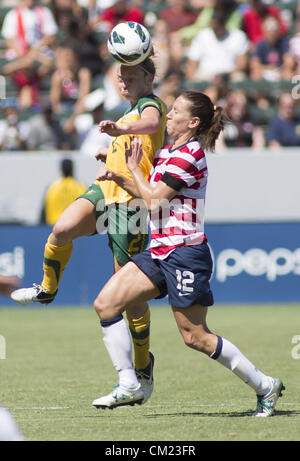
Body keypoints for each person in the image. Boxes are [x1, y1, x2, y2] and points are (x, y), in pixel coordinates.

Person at [91, 91, 284, 417]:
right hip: (159, 251)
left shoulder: (191, 154)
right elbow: (148, 192)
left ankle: (265, 386)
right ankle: (129, 383)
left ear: (193, 122)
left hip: (185, 253)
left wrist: (135, 168)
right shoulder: (168, 151)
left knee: (195, 337)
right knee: (106, 304)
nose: (170, 113)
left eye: (177, 110)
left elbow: (154, 201)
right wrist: (119, 176)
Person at [11, 55, 167, 403]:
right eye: (120, 75)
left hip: (131, 203)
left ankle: (143, 366)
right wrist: (108, 152)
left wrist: (121, 131)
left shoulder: (150, 105)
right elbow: (134, 143)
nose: (123, 80)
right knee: (61, 229)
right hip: (105, 190)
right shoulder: (129, 111)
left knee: (128, 297)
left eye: (130, 75)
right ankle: (48, 291)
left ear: (148, 76)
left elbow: (151, 122)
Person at [1, 0, 58, 108]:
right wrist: (24, 54)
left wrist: (34, 52)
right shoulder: (13, 14)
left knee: (41, 64)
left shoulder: (44, 12)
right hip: (21, 55)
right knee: (27, 67)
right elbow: (10, 40)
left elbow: (50, 36)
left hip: (39, 54)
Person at [185, 11, 249, 82]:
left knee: (240, 79)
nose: (215, 29)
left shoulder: (238, 36)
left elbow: (242, 63)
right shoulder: (202, 35)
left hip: (230, 75)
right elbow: (192, 61)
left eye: (217, 26)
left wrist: (224, 75)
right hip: (206, 75)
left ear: (223, 24)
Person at [40, 158, 86, 226]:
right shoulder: (81, 187)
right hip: (75, 226)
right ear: (73, 169)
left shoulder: (52, 188)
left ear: (61, 169)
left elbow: (43, 212)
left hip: (54, 226)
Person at [249, 16, 295, 82]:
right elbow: (254, 64)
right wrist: (267, 68)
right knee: (255, 74)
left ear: (278, 29)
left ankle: (286, 92)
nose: (271, 32)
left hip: (280, 71)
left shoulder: (284, 42)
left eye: (274, 28)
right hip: (264, 72)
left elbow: (289, 63)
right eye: (268, 28)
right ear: (264, 30)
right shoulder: (260, 44)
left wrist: (278, 69)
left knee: (288, 73)